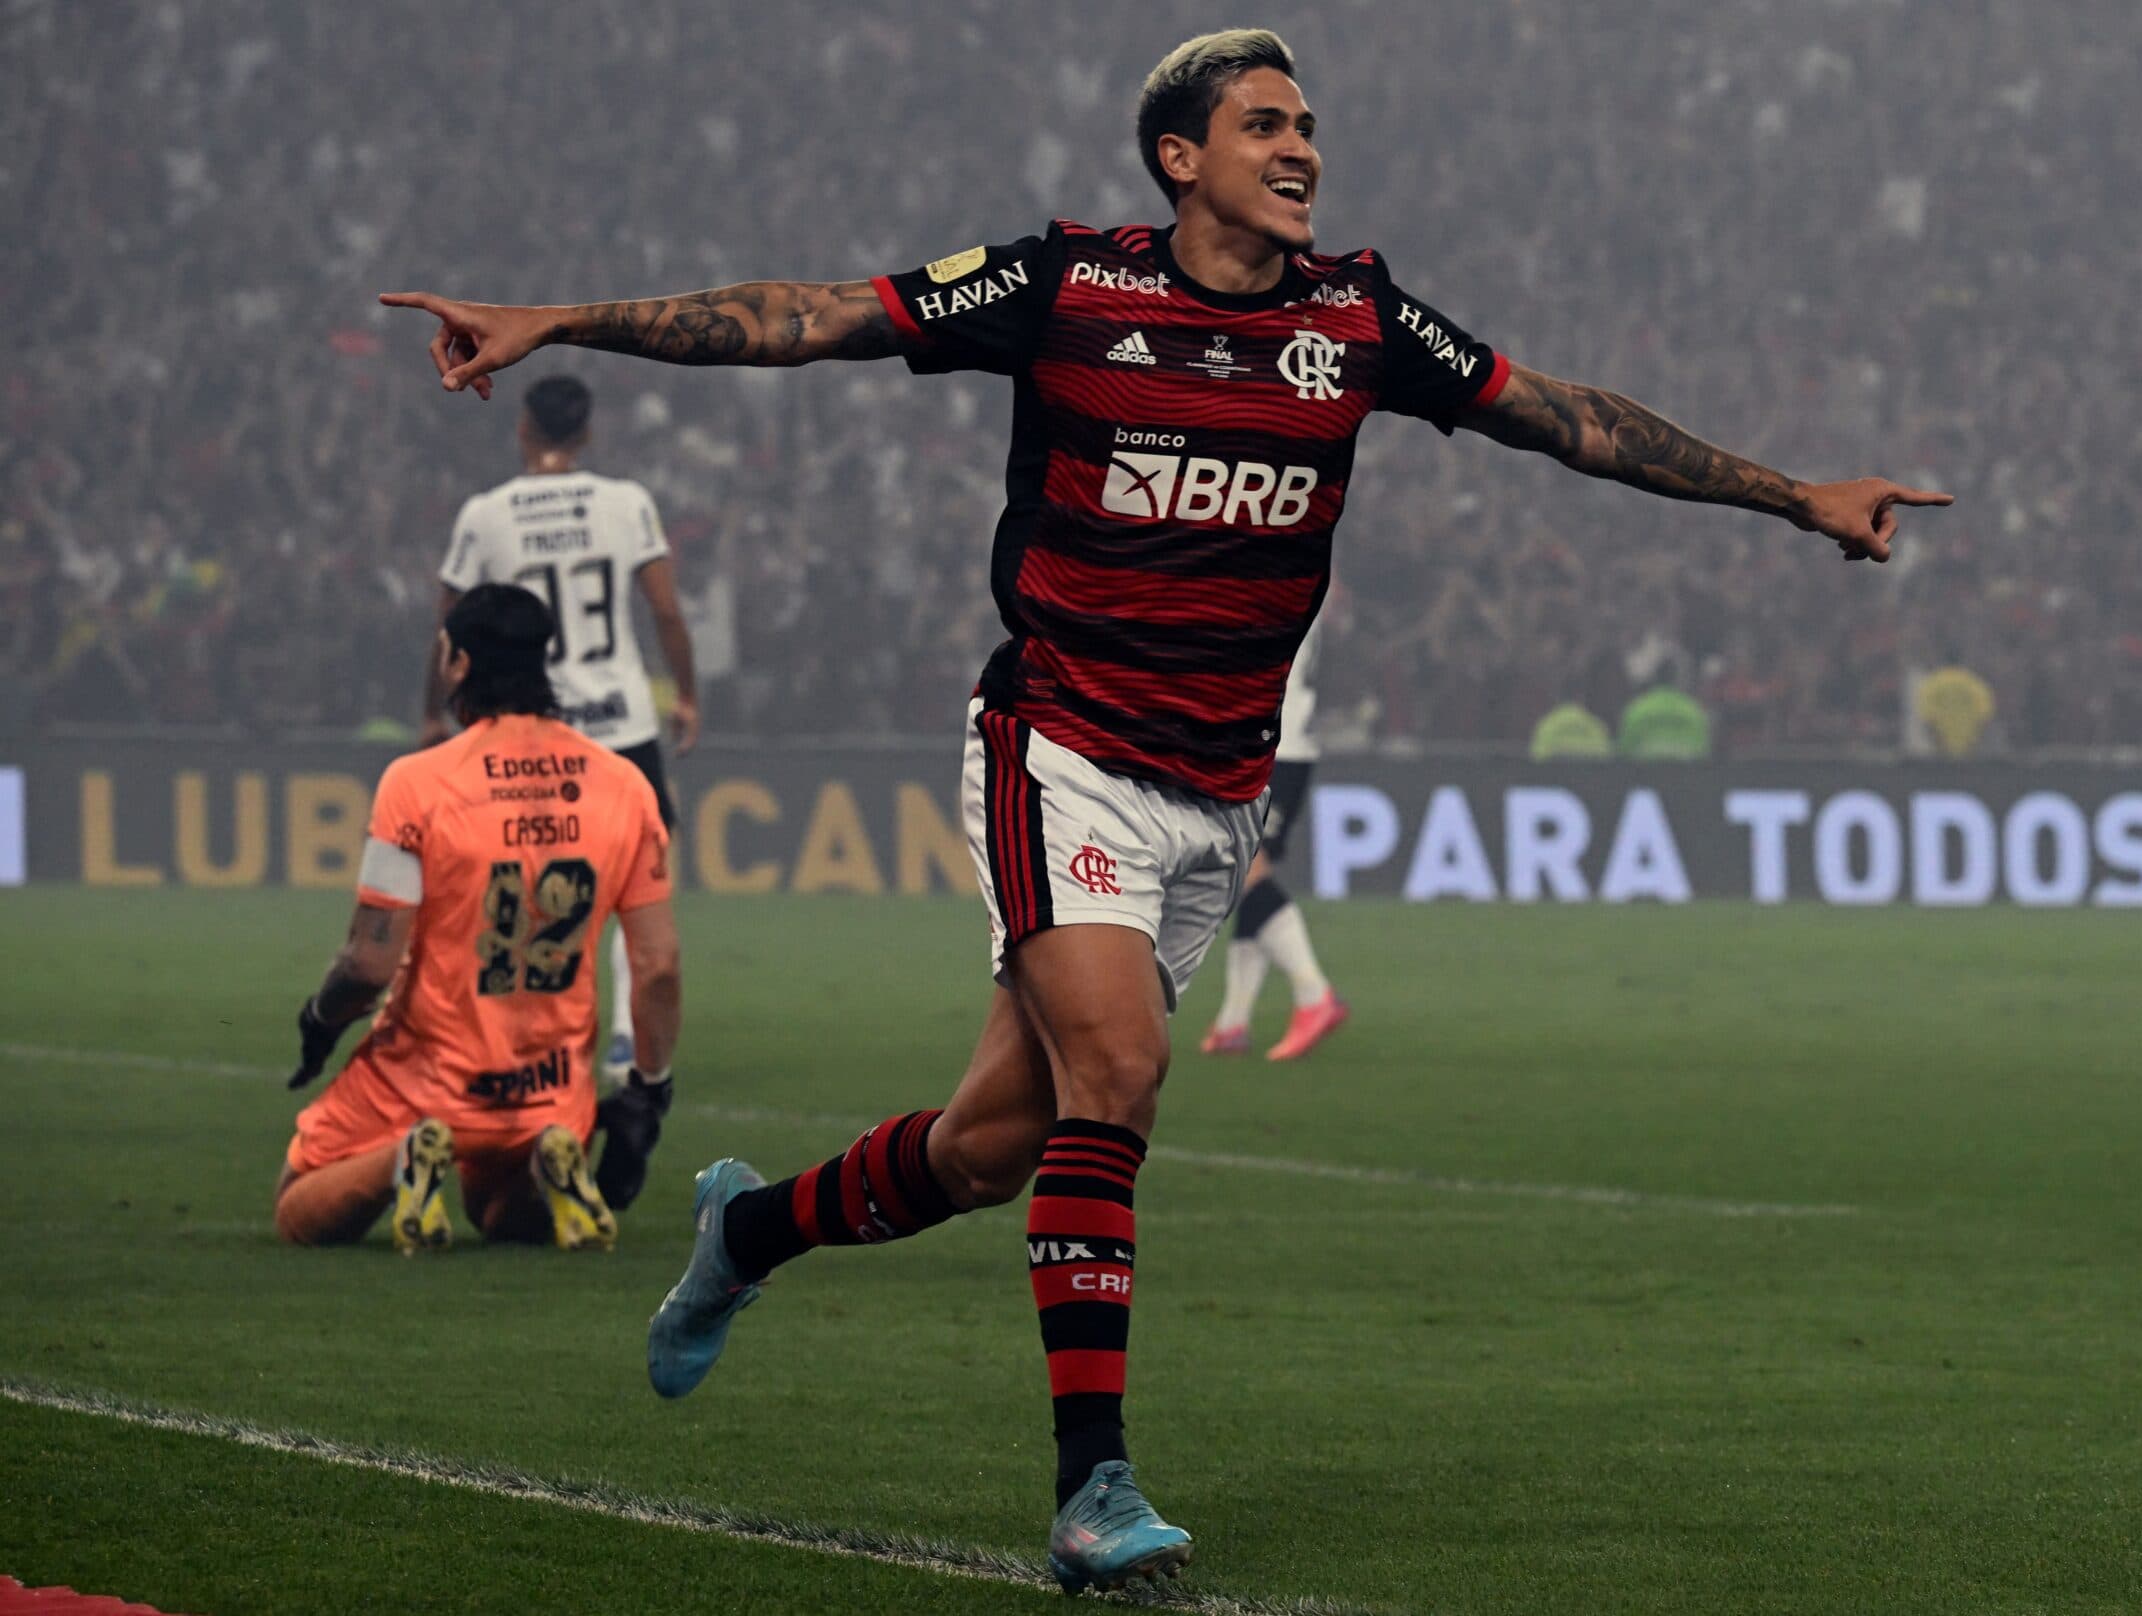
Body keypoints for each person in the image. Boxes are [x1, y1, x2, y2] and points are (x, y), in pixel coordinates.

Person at [380, 28, 1947, 1589]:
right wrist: (565, 319)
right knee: (1119, 1072)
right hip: (1059, 743)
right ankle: (1092, 1489)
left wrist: (1791, 492)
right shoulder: (1067, 288)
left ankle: (753, 1234)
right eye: (1265, 122)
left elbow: (1572, 419)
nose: (1303, 148)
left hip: (1220, 792)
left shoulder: (1360, 317)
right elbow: (809, 316)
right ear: (1180, 157)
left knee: (995, 1146)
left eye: (1311, 124)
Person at [278, 584, 681, 1252]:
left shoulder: (417, 783)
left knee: (296, 1204)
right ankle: (553, 1155)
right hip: (550, 1086)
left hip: (426, 1074)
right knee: (500, 1215)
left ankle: (405, 1155)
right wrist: (649, 1089)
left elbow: (368, 965)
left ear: (459, 664)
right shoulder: (622, 785)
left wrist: (321, 1019)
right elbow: (657, 964)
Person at [422, 375, 699, 1082]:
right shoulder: (625, 503)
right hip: (622, 725)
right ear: (586, 433)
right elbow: (665, 610)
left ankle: (525, 1035)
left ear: (523, 427)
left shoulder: (486, 515)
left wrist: (432, 711)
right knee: (637, 883)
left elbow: (449, 627)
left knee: (525, 867)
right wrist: (688, 695)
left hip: (531, 723)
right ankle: (628, 1042)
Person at [1201, 616, 1348, 1059]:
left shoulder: (1277, 579)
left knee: (1247, 871)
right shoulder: (1299, 576)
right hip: (1279, 747)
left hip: (1273, 750)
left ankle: (1314, 994)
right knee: (1247, 876)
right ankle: (1233, 1022)